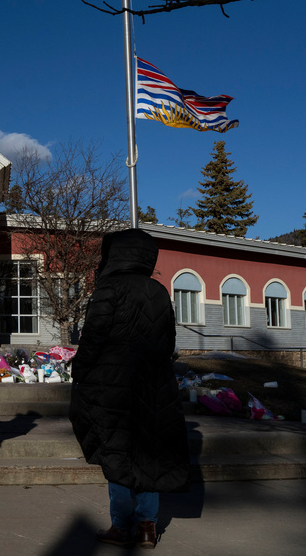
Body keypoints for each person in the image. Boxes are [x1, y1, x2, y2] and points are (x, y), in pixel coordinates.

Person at [69, 228, 190, 549]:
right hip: (154, 384)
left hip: (112, 386)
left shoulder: (108, 289)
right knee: (150, 452)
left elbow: (93, 338)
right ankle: (148, 528)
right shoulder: (159, 291)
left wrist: (79, 371)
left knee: (117, 452)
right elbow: (169, 342)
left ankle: (121, 527)